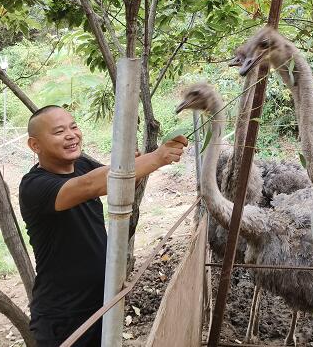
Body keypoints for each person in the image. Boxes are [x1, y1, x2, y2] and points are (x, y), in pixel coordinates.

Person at [19, 105, 187, 346]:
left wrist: (136, 165)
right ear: (35, 145)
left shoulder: (82, 165)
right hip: (64, 315)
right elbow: (91, 185)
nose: (71, 135)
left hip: (103, 302)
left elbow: (117, 183)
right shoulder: (34, 186)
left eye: (74, 127)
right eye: (59, 131)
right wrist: (156, 158)